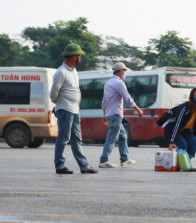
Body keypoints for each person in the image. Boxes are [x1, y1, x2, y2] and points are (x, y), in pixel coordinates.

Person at [50, 43, 98, 174]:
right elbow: (53, 93)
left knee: (77, 139)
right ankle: (60, 165)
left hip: (75, 109)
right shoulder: (61, 72)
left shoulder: (73, 71)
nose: (80, 58)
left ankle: (84, 166)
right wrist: (58, 105)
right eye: (79, 55)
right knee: (63, 138)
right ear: (73, 57)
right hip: (65, 109)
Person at [99, 62, 143, 168]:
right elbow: (128, 98)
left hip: (110, 115)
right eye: (125, 72)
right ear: (122, 71)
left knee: (123, 136)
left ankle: (124, 158)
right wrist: (138, 110)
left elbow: (104, 102)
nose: (125, 74)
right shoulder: (119, 83)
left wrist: (104, 115)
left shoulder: (108, 83)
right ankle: (103, 160)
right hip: (115, 115)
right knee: (112, 137)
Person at [164, 88, 196, 171]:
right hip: (172, 129)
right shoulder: (185, 108)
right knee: (183, 145)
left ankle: (186, 164)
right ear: (192, 97)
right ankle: (182, 165)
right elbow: (177, 124)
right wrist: (172, 141)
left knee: (194, 141)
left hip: (185, 130)